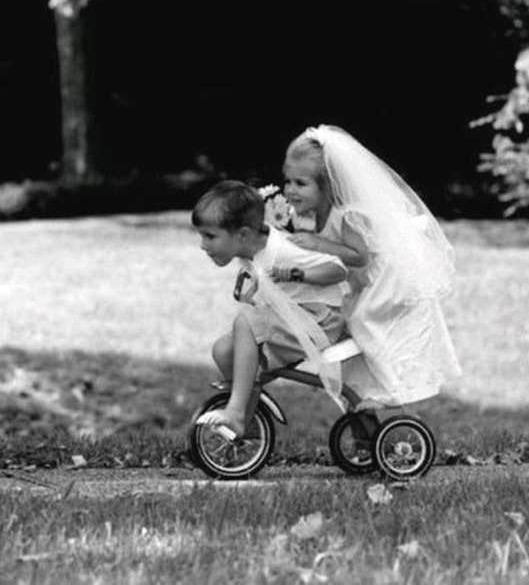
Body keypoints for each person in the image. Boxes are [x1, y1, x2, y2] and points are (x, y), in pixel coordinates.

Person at [283, 125, 461, 408]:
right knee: (350, 331)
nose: (290, 190)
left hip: (386, 279)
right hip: (363, 281)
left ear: (327, 186)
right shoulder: (311, 215)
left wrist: (319, 245)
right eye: (288, 181)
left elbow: (359, 256)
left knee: (363, 321)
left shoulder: (349, 215)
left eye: (300, 183)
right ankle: (364, 391)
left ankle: (393, 392)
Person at [192, 180, 349, 437]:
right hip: (292, 317)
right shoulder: (248, 251)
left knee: (245, 322)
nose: (202, 244)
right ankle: (248, 418)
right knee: (223, 350)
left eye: (210, 236)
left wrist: (297, 274)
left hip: (320, 320)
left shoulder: (284, 250)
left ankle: (236, 412)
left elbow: (338, 268)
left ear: (243, 235)